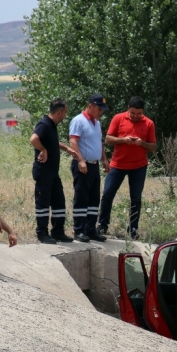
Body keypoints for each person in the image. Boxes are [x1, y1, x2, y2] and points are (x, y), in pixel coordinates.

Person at [96, 96, 157, 240]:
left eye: (139, 113)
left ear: (143, 112)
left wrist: (142, 143)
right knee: (107, 194)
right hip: (118, 164)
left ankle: (133, 229)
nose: (135, 116)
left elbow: (153, 147)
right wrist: (124, 140)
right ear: (128, 108)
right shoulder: (118, 118)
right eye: (133, 113)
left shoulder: (149, 123)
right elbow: (108, 139)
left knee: (135, 199)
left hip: (139, 166)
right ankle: (103, 225)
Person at [30, 98, 78, 244]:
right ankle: (42, 232)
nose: (65, 116)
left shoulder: (51, 125)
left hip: (52, 172)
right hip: (44, 171)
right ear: (59, 112)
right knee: (43, 202)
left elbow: (51, 141)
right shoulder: (44, 124)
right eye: (64, 113)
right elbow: (34, 139)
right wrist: (43, 150)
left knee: (58, 201)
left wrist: (66, 148)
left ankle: (57, 232)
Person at [69, 95, 110, 242]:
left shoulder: (96, 123)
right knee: (81, 198)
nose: (101, 112)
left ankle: (90, 229)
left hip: (94, 164)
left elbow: (98, 143)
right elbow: (73, 141)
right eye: (99, 109)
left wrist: (104, 159)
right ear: (90, 106)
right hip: (83, 164)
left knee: (93, 199)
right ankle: (79, 230)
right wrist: (80, 160)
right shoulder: (79, 121)